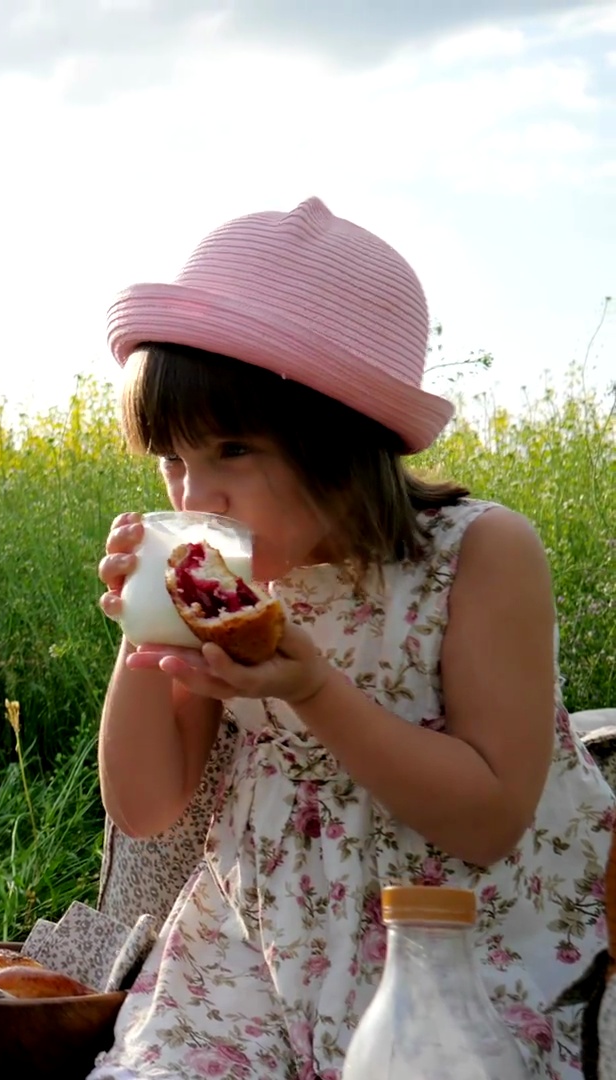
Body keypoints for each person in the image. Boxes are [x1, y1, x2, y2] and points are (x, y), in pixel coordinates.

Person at [89, 196, 615, 1079]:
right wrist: (143, 625)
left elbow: (488, 820)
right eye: (172, 459)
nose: (194, 498)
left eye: (231, 451)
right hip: (261, 938)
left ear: (339, 443)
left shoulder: (478, 553)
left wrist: (312, 690)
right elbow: (144, 807)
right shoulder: (232, 581)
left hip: (467, 934)